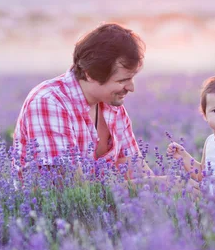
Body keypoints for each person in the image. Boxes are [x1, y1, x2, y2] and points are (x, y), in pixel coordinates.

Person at [13, 23, 153, 178]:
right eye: (122, 80)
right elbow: (69, 188)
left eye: (132, 78)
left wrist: (176, 183)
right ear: (90, 74)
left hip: (103, 201)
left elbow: (140, 177)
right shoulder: (49, 102)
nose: (131, 87)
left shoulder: (112, 105)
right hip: (55, 202)